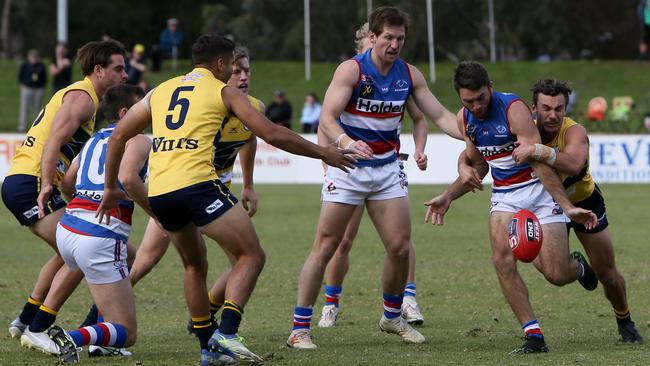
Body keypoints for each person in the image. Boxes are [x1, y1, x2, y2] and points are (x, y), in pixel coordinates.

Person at [96, 34, 354, 365]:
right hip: (197, 186)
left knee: (194, 264)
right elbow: (272, 132)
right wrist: (324, 152)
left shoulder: (159, 91)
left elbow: (118, 135)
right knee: (251, 256)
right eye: (232, 63)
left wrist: (109, 186)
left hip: (160, 191)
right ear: (220, 63)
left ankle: (208, 347)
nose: (234, 69)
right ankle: (227, 333)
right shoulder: (223, 91)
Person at [286, 7, 463, 349]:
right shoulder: (352, 70)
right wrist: (348, 143)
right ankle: (299, 328)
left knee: (399, 247)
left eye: (400, 39)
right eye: (388, 38)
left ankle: (391, 316)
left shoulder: (410, 75)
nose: (394, 45)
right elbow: (327, 117)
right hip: (349, 168)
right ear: (372, 38)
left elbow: (440, 115)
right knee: (325, 247)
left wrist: (474, 133)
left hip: (385, 170)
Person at [79, 46, 264, 339]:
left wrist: (249, 183)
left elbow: (249, 138)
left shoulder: (252, 106)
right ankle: (95, 318)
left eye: (247, 70)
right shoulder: (204, 98)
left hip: (213, 192)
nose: (241, 76)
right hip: (183, 187)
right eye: (236, 69)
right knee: (146, 261)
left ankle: (206, 318)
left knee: (238, 260)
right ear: (221, 68)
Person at [423, 61, 599, 354]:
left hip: (539, 191)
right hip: (505, 197)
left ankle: (578, 267)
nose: (477, 105)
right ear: (460, 97)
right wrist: (449, 195)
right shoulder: (465, 120)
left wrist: (566, 207)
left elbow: (538, 161)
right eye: (469, 100)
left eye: (481, 97)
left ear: (490, 88)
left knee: (556, 274)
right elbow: (479, 165)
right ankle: (533, 334)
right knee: (502, 260)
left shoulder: (513, 110)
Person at [4, 40, 127, 347]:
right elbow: (53, 142)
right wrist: (47, 183)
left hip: (25, 180)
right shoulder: (83, 97)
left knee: (68, 251)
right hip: (29, 182)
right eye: (118, 68)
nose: (125, 75)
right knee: (79, 250)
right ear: (98, 71)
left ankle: (25, 320)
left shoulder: (85, 97)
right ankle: (40, 327)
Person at [511, 79, 643, 343]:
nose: (553, 115)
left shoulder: (575, 131)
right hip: (546, 206)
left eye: (559, 108)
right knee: (555, 274)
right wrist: (464, 167)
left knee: (607, 273)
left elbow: (572, 164)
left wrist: (535, 150)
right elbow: (477, 150)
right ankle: (579, 267)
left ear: (566, 108)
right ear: (533, 108)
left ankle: (624, 319)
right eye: (546, 108)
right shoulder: (521, 130)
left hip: (585, 204)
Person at [24, 84, 149, 363]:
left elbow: (67, 183)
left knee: (130, 254)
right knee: (128, 332)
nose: (148, 114)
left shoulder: (92, 140)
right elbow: (129, 179)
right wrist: (158, 216)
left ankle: (99, 340)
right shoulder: (139, 140)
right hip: (100, 235)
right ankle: (73, 336)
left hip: (68, 229)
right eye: (143, 108)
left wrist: (85, 202)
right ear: (126, 112)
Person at [18, 49, 47, 132]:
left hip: (38, 89)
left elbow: (44, 78)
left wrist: (42, 87)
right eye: (32, 58)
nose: (34, 59)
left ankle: (36, 126)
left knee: (37, 108)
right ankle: (22, 126)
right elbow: (20, 76)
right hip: (27, 88)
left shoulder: (41, 66)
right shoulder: (25, 65)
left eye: (35, 58)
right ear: (29, 58)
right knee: (24, 107)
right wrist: (23, 85)